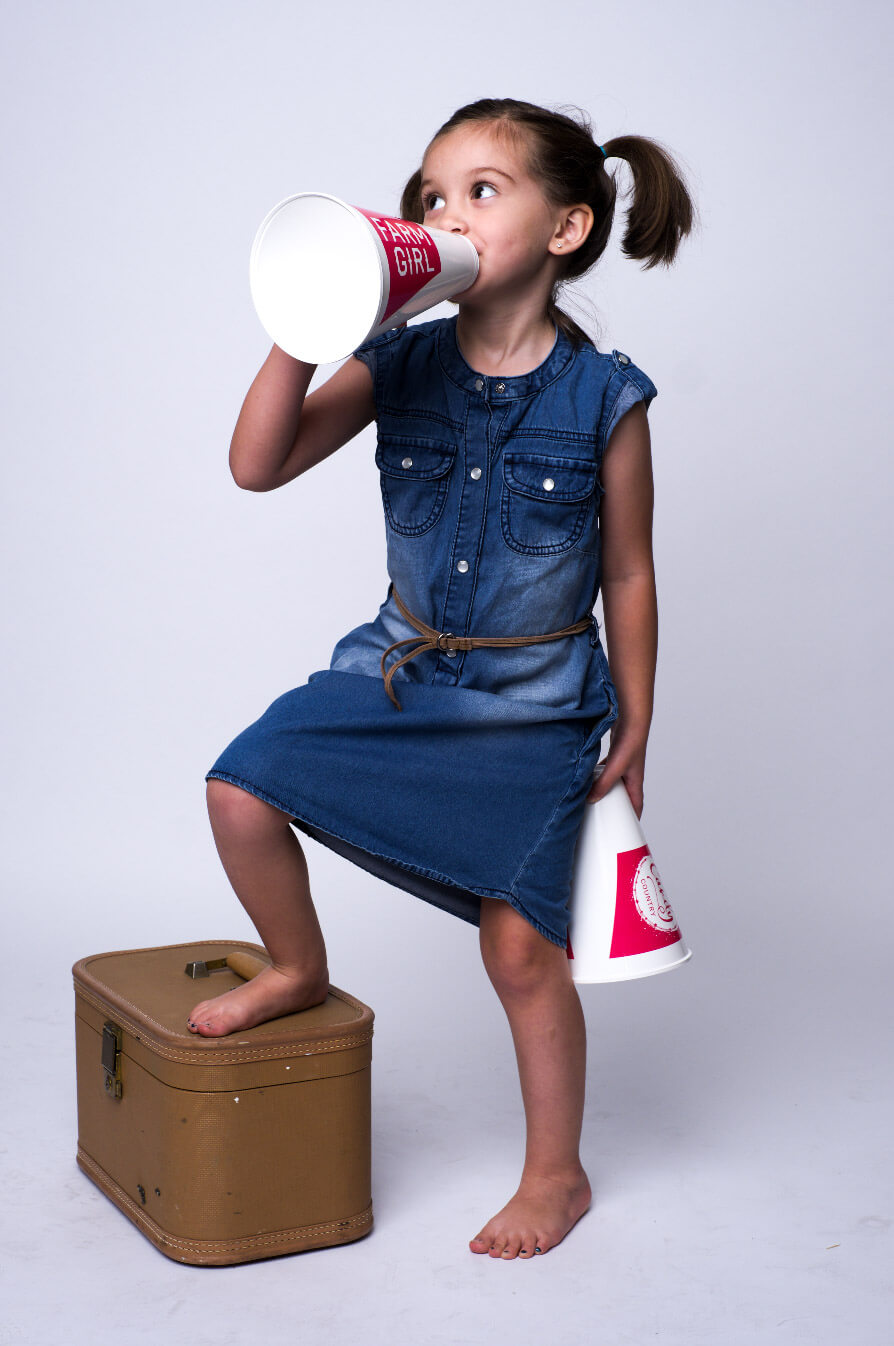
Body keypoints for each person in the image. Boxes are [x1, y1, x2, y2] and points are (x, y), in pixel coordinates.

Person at [188, 97, 697, 1260]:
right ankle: (298, 966)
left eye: (479, 189)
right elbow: (255, 464)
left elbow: (629, 570)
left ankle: (556, 1172)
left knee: (520, 951)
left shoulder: (608, 397)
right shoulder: (398, 359)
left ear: (565, 228)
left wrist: (641, 716)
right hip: (401, 675)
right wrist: (312, 317)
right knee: (238, 787)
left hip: (537, 704)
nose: (442, 211)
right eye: (429, 193)